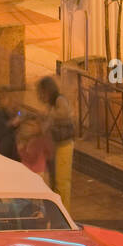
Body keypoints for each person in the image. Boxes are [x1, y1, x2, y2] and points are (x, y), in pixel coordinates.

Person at [36, 75, 75, 211]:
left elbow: (65, 114)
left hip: (63, 145)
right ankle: (59, 211)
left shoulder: (60, 100)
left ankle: (65, 212)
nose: (41, 96)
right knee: (55, 181)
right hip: (54, 146)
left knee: (62, 182)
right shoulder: (51, 105)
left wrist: (49, 117)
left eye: (43, 92)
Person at [0, 87, 23, 161]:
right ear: (1, 100)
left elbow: (19, 114)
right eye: (7, 98)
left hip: (12, 146)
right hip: (4, 146)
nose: (10, 100)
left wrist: (19, 114)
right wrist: (11, 124)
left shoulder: (10, 109)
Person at [16, 111, 50, 180]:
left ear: (38, 127)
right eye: (27, 124)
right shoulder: (27, 139)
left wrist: (21, 150)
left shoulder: (38, 141)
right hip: (28, 170)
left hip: (36, 172)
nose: (28, 128)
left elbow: (31, 158)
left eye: (31, 125)